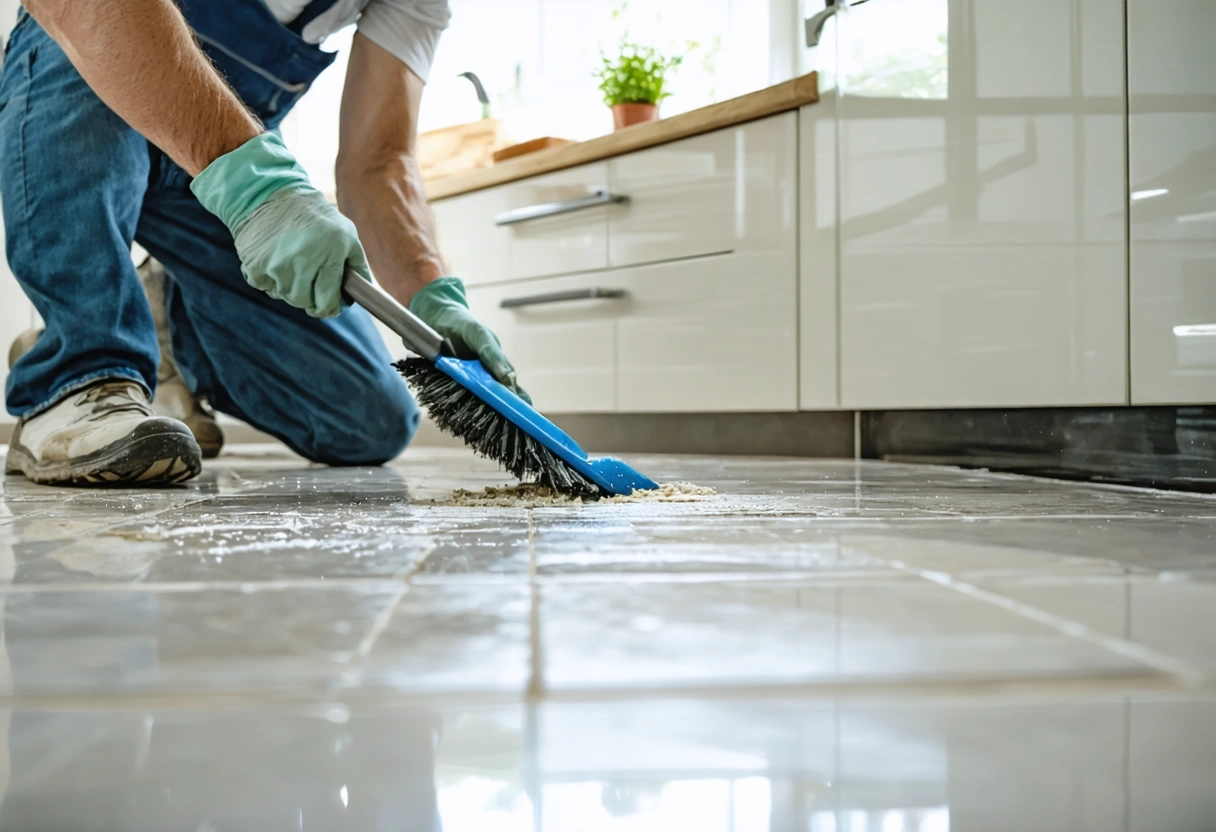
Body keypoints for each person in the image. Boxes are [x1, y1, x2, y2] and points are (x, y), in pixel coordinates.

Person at [0, 0, 524, 486]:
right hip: (85, 91)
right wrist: (257, 183)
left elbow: (379, 160)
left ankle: (167, 337)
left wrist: (432, 298)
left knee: (367, 420)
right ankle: (77, 373)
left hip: (213, 174)